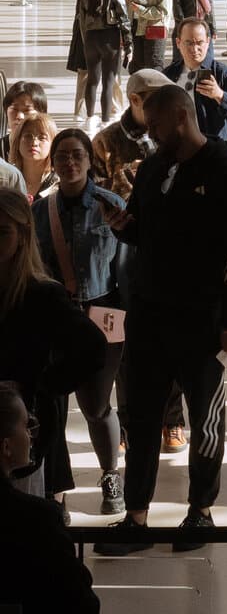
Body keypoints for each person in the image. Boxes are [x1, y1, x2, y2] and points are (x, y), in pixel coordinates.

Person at [95, 84, 227, 553]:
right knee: (142, 417)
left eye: (157, 125)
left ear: (182, 118)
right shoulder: (153, 167)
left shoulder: (225, 169)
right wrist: (124, 227)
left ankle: (200, 511)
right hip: (149, 313)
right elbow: (143, 231)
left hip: (202, 319)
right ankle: (136, 517)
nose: (151, 134)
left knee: (205, 417)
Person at [34, 128, 127, 512]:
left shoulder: (111, 205)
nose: (70, 162)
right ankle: (54, 491)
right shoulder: (40, 211)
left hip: (103, 312)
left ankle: (111, 474)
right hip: (55, 315)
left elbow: (125, 268)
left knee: (96, 405)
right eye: (62, 156)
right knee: (51, 406)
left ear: (90, 160)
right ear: (53, 163)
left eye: (77, 155)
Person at [0, 183, 105, 510]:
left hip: (20, 428)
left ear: (22, 235)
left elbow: (92, 346)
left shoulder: (42, 293)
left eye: (2, 232)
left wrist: (45, 387)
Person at [0, 379, 100, 614]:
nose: (30, 434)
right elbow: (83, 603)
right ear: (6, 447)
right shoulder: (38, 520)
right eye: (26, 426)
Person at [164, 16, 227, 142]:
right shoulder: (168, 75)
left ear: (208, 42)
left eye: (199, 42)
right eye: (189, 43)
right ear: (178, 43)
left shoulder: (222, 73)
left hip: (212, 147)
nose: (194, 49)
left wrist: (220, 95)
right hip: (178, 145)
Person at [75, 0, 131, 125]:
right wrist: (128, 44)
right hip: (109, 38)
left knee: (92, 80)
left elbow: (81, 20)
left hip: (91, 39)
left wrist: (86, 40)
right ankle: (106, 120)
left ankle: (90, 118)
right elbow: (123, 18)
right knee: (108, 81)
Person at [93, 69, 163, 197]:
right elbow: (92, 192)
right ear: (135, 99)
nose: (164, 107)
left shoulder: (174, 133)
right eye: (157, 101)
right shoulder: (105, 141)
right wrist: (127, 176)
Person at [12, 116, 53, 201]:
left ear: (53, 144)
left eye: (42, 138)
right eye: (28, 136)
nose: (34, 143)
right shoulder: (7, 177)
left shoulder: (59, 182)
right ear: (18, 142)